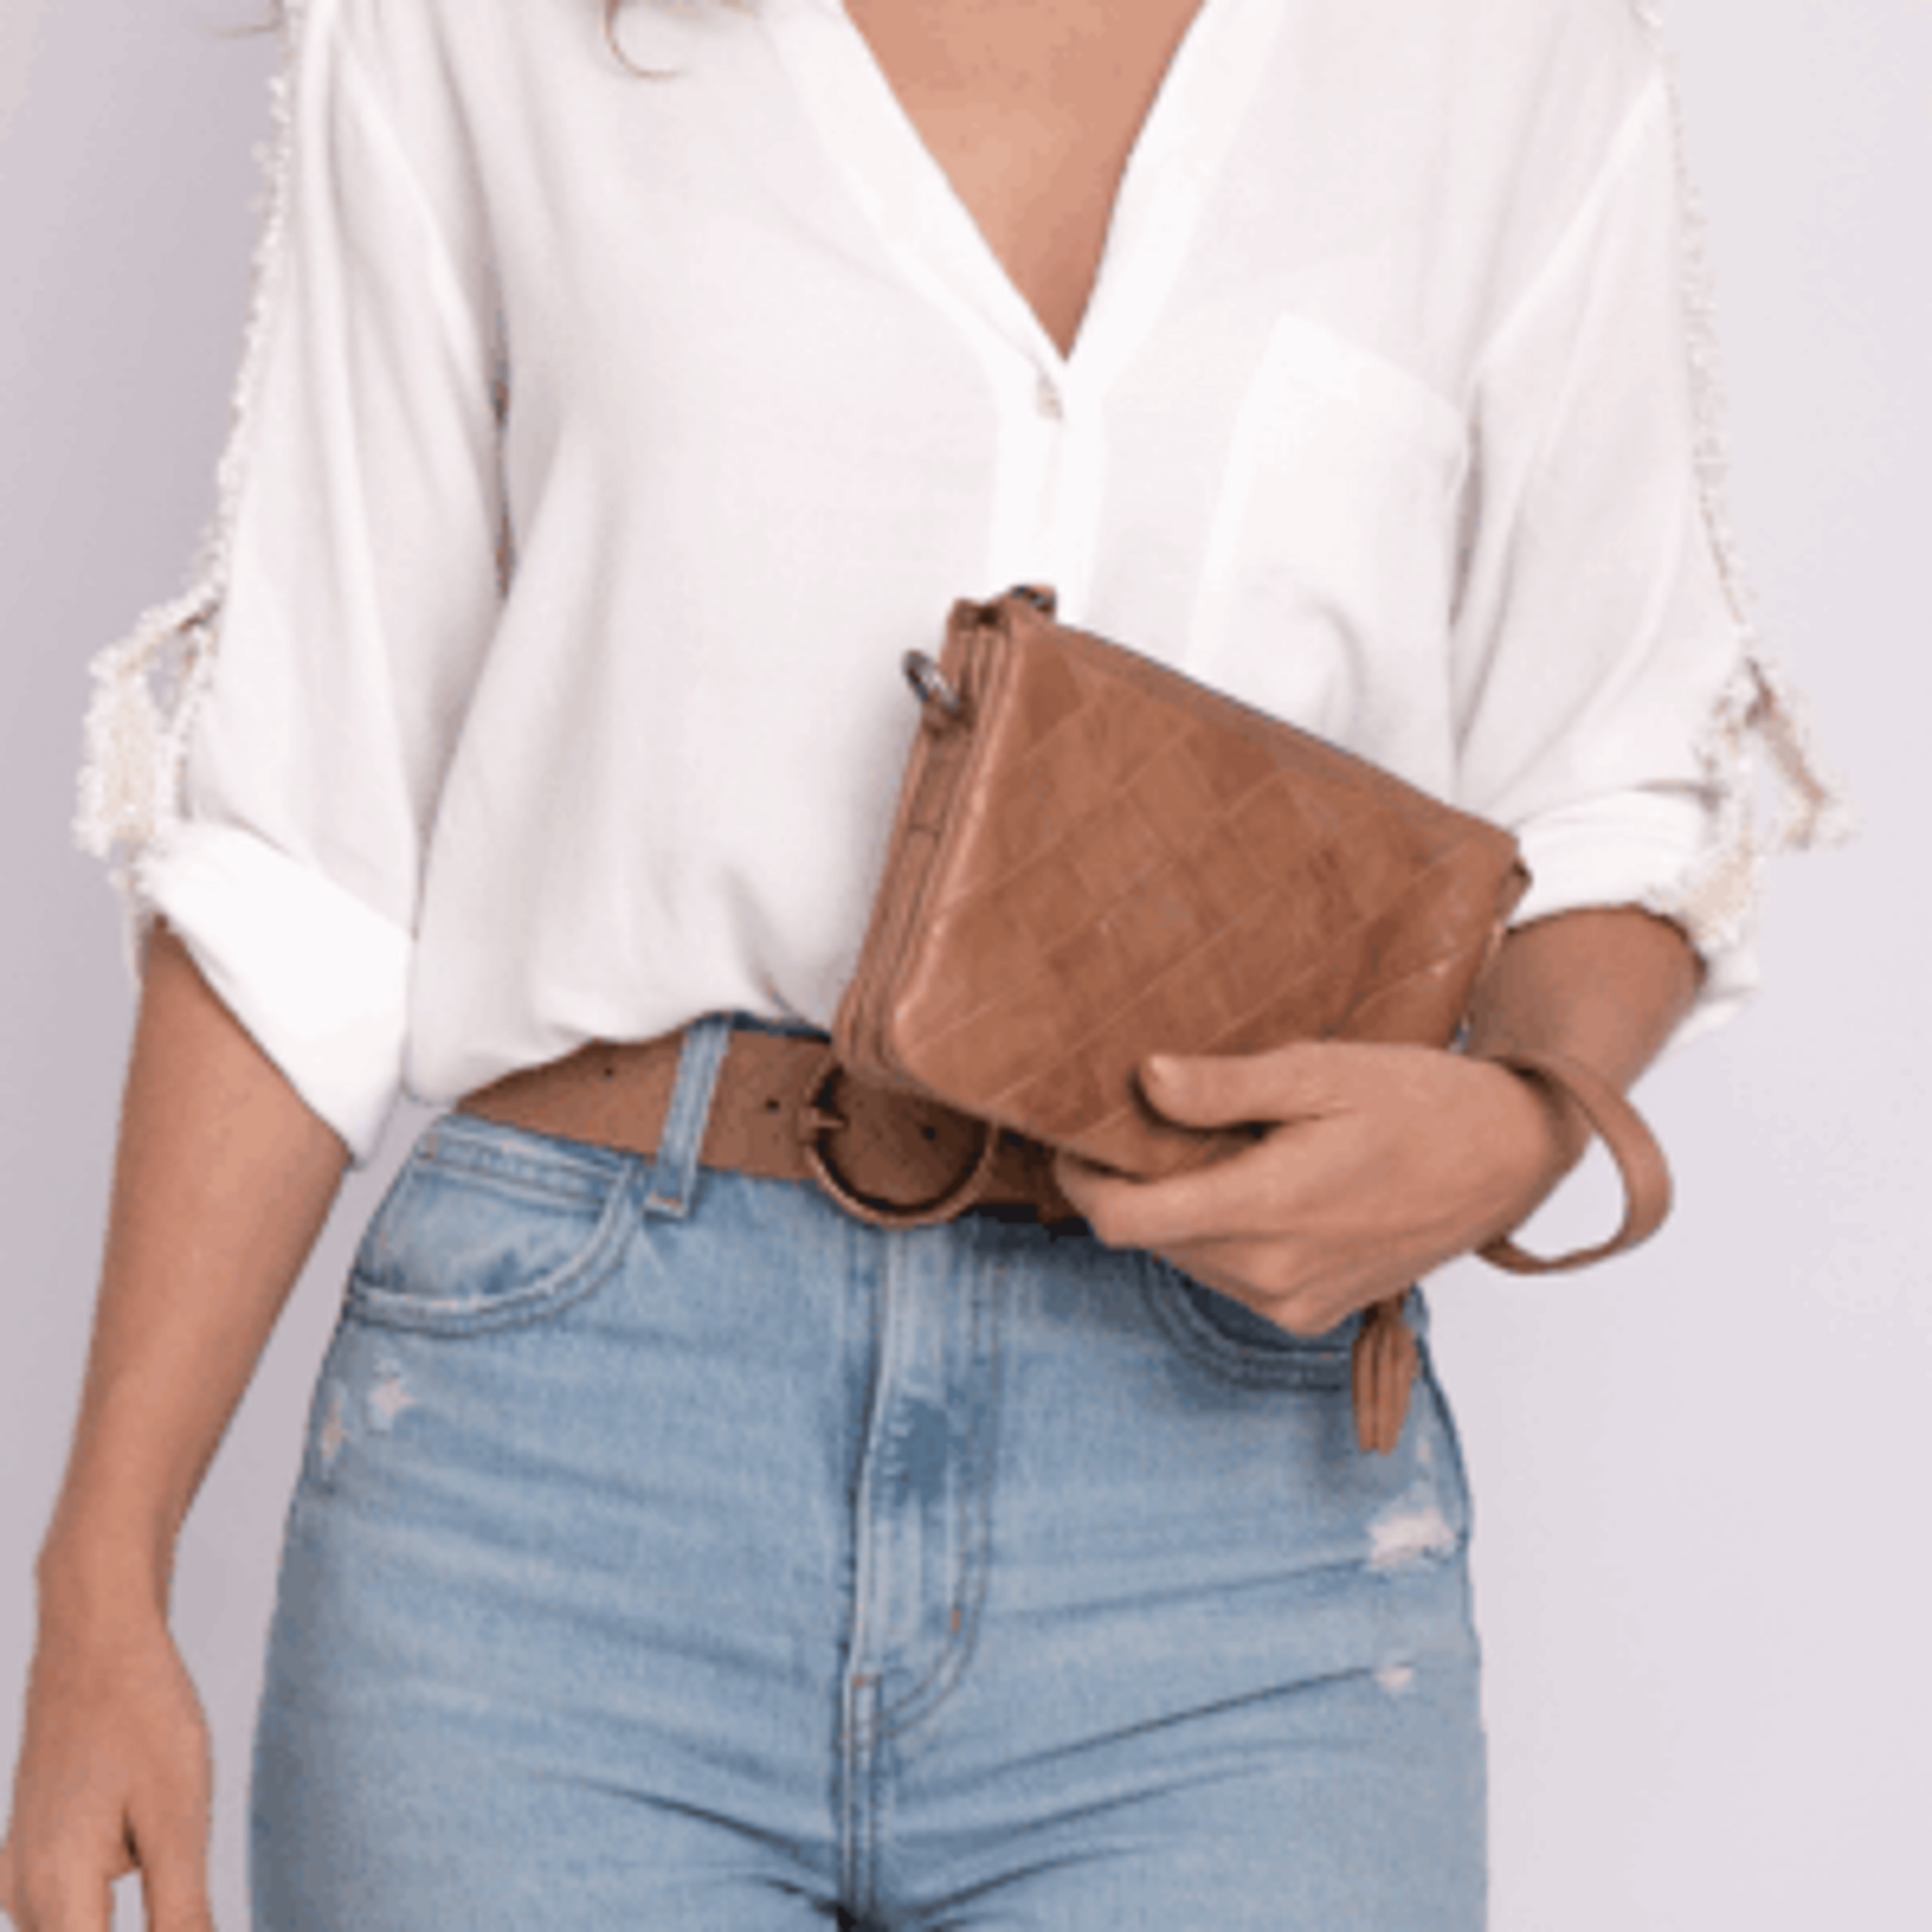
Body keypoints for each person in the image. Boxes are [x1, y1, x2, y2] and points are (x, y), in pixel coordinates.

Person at [2, 0, 1846, 1926]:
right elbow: (305, 841)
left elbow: (1622, 774)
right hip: (558, 1491)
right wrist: (104, 1575)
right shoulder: (478, 27)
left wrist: (1526, 1121)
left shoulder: (1504, 57)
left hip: (1226, 1519)